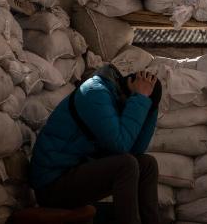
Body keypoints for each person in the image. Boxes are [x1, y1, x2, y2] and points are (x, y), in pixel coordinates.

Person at [29, 63, 162, 224]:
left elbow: (136, 150)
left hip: (74, 172)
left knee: (147, 164)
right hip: (52, 184)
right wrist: (140, 99)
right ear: (130, 92)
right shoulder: (95, 93)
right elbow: (120, 146)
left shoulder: (119, 98)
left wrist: (151, 107)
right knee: (126, 165)